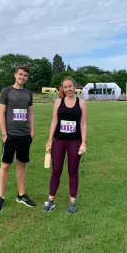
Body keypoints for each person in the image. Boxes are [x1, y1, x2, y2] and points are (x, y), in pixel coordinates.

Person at [43, 76, 87, 214]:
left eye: (70, 86)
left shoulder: (82, 103)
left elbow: (83, 123)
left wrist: (84, 142)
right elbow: (54, 122)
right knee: (56, 170)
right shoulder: (57, 102)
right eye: (66, 87)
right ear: (63, 88)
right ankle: (51, 200)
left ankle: (72, 202)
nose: (68, 89)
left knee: (73, 171)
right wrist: (50, 140)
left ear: (75, 87)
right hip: (59, 141)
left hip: (75, 141)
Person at [0, 65, 36, 212]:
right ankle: (0, 197)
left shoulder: (28, 93)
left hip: (25, 135)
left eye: (25, 75)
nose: (22, 77)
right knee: (5, 165)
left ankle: (21, 195)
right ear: (15, 75)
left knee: (22, 165)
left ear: (27, 77)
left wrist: (32, 132)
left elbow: (30, 114)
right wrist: (4, 133)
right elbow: (1, 114)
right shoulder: (6, 91)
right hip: (10, 135)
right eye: (20, 74)